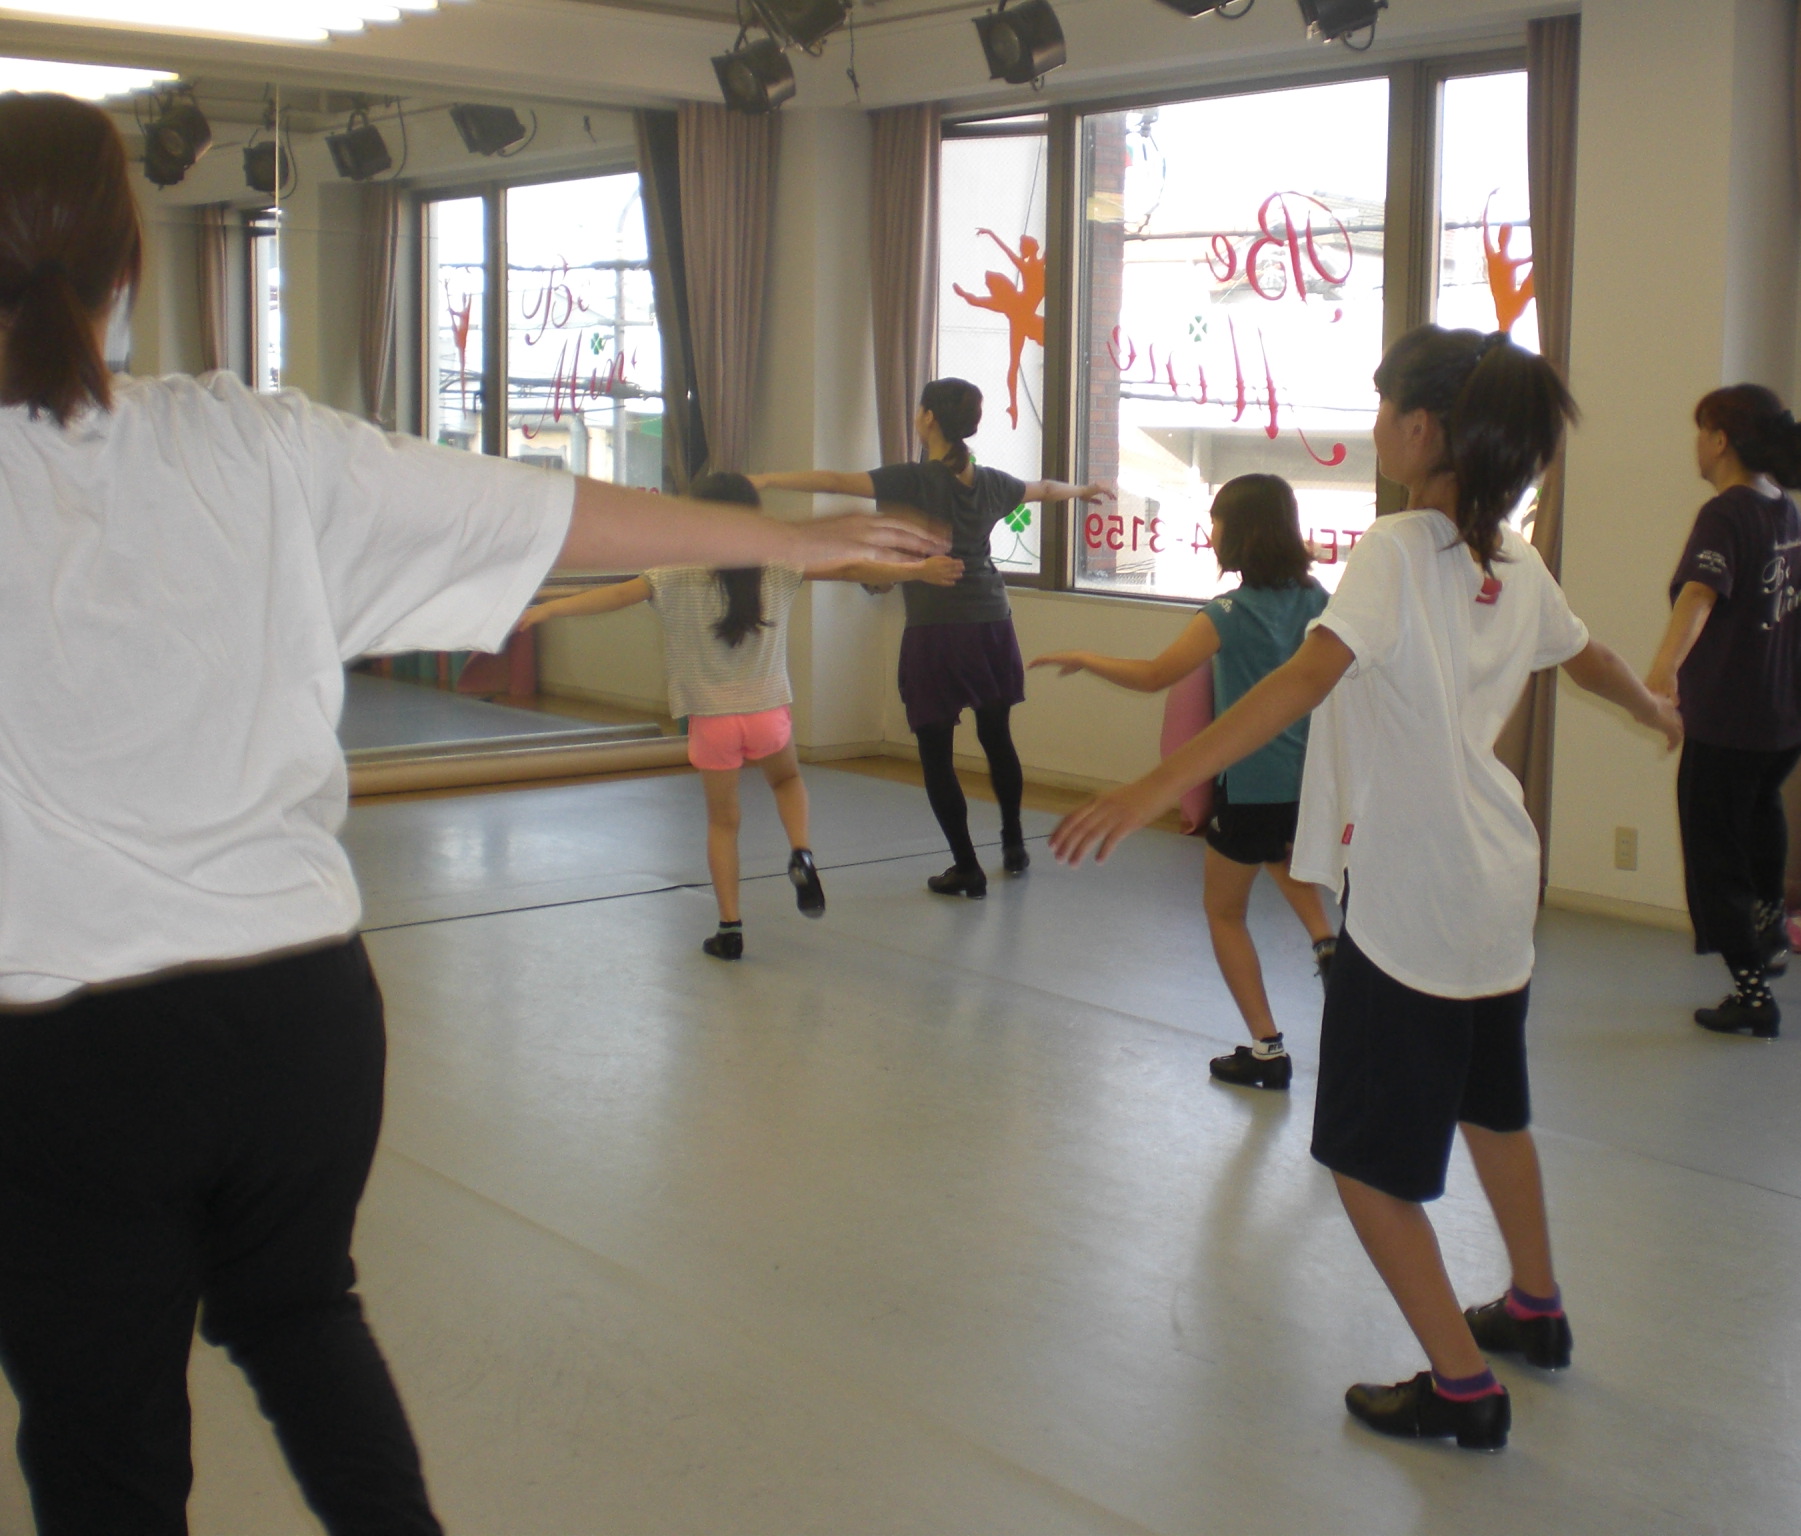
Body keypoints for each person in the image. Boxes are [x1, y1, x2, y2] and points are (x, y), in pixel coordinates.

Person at [0, 94, 940, 1536]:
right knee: (298, 1317)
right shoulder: (254, 444)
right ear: (131, 263)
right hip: (298, 1017)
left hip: (69, 1048)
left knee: (101, 1425)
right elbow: (532, 509)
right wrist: (783, 542)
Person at [1049, 326, 1682, 1452]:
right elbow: (1584, 655)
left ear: (1422, 430)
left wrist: (1152, 787)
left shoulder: (1395, 548)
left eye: (1384, 405)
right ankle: (1534, 1308)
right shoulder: (1511, 558)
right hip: (1498, 884)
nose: (1377, 422)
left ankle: (1460, 1385)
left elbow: (1305, 677)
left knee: (1360, 1162)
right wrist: (1652, 707)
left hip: (1413, 897)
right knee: (1492, 1107)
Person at [517, 470, 964, 960]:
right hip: (767, 711)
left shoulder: (672, 572)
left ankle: (729, 929)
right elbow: (848, 567)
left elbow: (614, 595)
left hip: (712, 720)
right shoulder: (776, 566)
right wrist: (916, 571)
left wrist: (546, 610)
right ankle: (801, 852)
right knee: (786, 782)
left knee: (723, 823)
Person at [1030, 473, 1335, 1090]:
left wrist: (1086, 658)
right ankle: (1327, 942)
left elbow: (1154, 675)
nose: (1211, 531)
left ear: (1239, 533)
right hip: (1307, 783)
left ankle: (1268, 1050)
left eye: (1217, 520)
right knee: (1279, 851)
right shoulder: (1317, 599)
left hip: (1246, 785)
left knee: (1224, 911)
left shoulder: (1227, 612)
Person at [752, 378, 1108, 898]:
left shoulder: (910, 480)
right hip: (991, 621)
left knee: (936, 754)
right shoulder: (990, 482)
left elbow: (833, 480)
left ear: (927, 419)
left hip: (937, 629)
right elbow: (1046, 490)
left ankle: (967, 866)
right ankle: (1013, 844)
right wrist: (1085, 491)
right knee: (997, 737)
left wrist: (767, 478)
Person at [1644, 385, 1801, 1040]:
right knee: (1758, 814)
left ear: (1721, 439)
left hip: (1732, 719)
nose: (1696, 445)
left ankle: (1752, 989)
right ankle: (1770, 922)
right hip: (1788, 716)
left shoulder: (1726, 514)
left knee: (1713, 851)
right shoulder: (1789, 513)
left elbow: (1700, 594)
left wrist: (1663, 671)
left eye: (1701, 431)